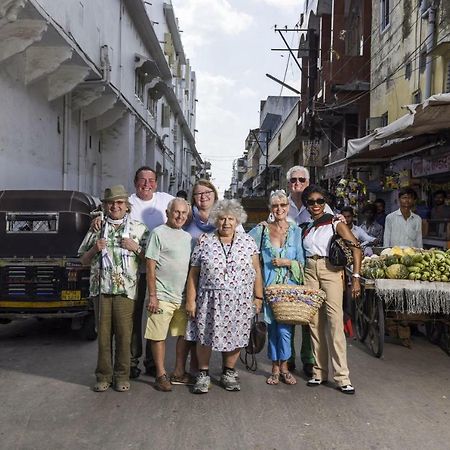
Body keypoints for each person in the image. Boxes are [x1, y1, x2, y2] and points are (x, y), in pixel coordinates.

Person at [185, 199, 264, 394]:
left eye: (230, 219)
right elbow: (193, 273)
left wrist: (258, 297)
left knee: (236, 336)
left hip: (240, 300)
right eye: (222, 219)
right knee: (204, 336)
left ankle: (229, 371)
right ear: (215, 220)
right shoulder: (205, 242)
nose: (226, 223)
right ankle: (203, 374)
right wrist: (190, 300)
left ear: (238, 220)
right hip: (208, 300)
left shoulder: (248, 242)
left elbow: (257, 270)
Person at [79, 185, 149, 392]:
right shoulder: (96, 228)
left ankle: (122, 376)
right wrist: (94, 248)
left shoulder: (139, 229)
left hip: (126, 290)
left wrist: (135, 247)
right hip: (101, 289)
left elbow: (150, 260)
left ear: (127, 206)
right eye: (111, 202)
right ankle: (103, 376)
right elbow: (83, 260)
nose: (115, 206)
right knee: (103, 336)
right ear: (105, 206)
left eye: (119, 202)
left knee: (124, 334)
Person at [302, 185, 362, 395]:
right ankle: (319, 372)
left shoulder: (335, 222)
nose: (316, 205)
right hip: (310, 270)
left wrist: (355, 277)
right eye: (311, 202)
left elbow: (355, 247)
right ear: (307, 205)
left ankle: (342, 377)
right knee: (314, 322)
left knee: (335, 322)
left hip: (330, 270)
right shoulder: (308, 227)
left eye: (319, 200)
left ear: (325, 201)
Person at [249, 190, 305, 386]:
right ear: (270, 208)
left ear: (288, 207)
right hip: (269, 287)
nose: (279, 209)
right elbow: (245, 248)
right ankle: (274, 367)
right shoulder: (261, 230)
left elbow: (302, 262)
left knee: (285, 329)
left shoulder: (296, 231)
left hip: (289, 288)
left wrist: (288, 262)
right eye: (275, 206)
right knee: (272, 328)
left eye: (283, 205)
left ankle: (285, 367)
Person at [285, 165, 331, 377]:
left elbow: (334, 230)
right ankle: (288, 358)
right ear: (288, 183)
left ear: (308, 181)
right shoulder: (281, 204)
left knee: (309, 315)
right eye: (293, 180)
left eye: (301, 180)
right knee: (287, 314)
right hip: (287, 269)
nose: (297, 184)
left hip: (311, 268)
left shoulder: (319, 204)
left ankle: (309, 358)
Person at [129, 167, 174, 378]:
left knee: (155, 316)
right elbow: (108, 211)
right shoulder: (128, 203)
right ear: (135, 182)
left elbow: (188, 211)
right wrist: (95, 217)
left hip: (159, 272)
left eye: (151, 180)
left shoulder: (165, 199)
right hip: (134, 272)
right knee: (134, 316)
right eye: (142, 180)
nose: (146, 184)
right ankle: (131, 361)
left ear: (156, 183)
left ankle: (152, 362)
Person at [144, 198, 193, 392]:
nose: (180, 216)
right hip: (162, 295)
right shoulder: (158, 233)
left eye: (184, 213)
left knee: (182, 335)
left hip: (181, 296)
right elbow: (150, 266)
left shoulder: (187, 237)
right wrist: (153, 295)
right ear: (168, 212)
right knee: (158, 336)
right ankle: (160, 374)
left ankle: (178, 372)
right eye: (176, 212)